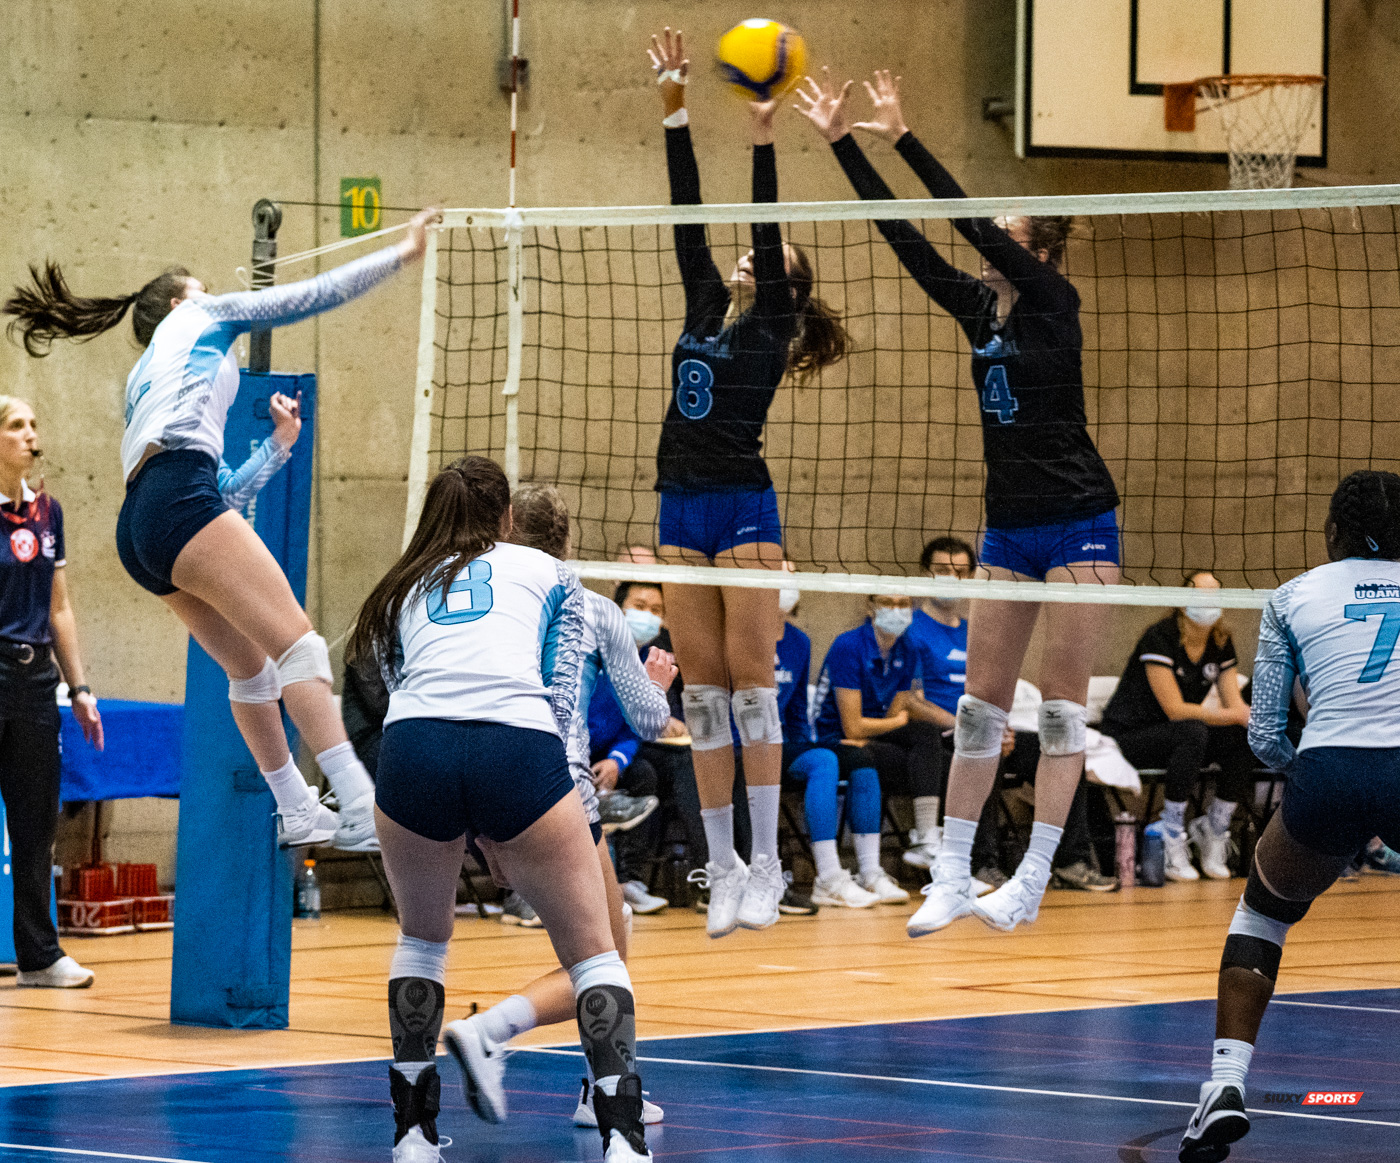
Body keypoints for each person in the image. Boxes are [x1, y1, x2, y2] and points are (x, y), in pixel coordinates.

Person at [3, 210, 440, 856]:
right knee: (301, 648)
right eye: (201, 286)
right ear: (181, 298)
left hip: (143, 528)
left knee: (253, 666)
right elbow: (306, 296)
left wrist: (278, 446)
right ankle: (356, 800)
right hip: (177, 501)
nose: (211, 293)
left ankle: (296, 806)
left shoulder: (148, 373)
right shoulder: (200, 317)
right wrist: (401, 254)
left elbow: (215, 499)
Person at [798, 71, 1121, 935]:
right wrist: (841, 144)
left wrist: (903, 134)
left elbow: (967, 219)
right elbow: (906, 239)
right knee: (979, 707)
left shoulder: (1055, 301)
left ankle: (1032, 878)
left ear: (1039, 254)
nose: (990, 251)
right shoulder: (982, 311)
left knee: (1058, 708)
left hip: (1081, 518)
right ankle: (950, 872)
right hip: (1009, 526)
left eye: (1009, 240)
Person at [346, 457, 652, 1163]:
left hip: (413, 745)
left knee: (422, 941)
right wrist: (528, 811)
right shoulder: (550, 573)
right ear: (507, 518)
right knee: (596, 953)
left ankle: (414, 1136)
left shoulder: (402, 581)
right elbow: (559, 687)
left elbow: (393, 683)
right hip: (516, 742)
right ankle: (624, 1140)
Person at [647, 28, 850, 938]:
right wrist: (676, 107)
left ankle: (769, 862)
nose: (749, 261)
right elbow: (689, 212)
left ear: (786, 290)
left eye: (770, 266)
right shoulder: (703, 304)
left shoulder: (772, 325)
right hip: (679, 504)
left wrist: (765, 139)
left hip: (743, 504)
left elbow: (761, 233)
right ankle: (723, 865)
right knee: (701, 695)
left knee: (750, 682)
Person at [1177, 470, 1400, 1163]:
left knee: (1263, 914)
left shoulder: (1292, 596)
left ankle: (1224, 1086)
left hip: (1329, 769)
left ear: (1333, 531)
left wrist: (1314, 777)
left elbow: (1264, 733)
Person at [448, 481, 674, 1135]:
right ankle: (492, 1029)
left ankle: (596, 1085)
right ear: (566, 540)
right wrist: (658, 682)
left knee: (613, 933)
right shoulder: (592, 604)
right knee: (605, 958)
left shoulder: (473, 595)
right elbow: (650, 720)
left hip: (468, 778)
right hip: (556, 788)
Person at [0, 396, 101, 989]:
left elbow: (59, 607)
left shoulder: (48, 513)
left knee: (36, 824)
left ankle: (39, 957)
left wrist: (79, 686)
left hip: (36, 682)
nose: (30, 435)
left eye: (35, 425)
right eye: (16, 426)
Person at [1101, 572, 1254, 882]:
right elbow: (1175, 710)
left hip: (1180, 741)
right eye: (1201, 596)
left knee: (1240, 735)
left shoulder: (1220, 642)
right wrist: (1239, 714)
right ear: (1183, 603)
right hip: (1128, 738)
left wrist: (1248, 718)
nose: (1209, 604)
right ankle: (1171, 833)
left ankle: (1215, 828)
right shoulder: (1160, 636)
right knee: (1193, 729)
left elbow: (1234, 706)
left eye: (1215, 597)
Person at [812, 594, 942, 904]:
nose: (897, 610)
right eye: (888, 602)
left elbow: (892, 718)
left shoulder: (909, 647)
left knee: (929, 737)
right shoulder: (848, 646)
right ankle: (869, 872)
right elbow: (852, 727)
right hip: (834, 740)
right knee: (872, 757)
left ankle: (926, 839)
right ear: (870, 607)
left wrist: (885, 726)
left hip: (872, 736)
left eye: (903, 603)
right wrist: (887, 725)